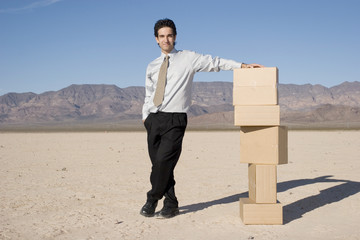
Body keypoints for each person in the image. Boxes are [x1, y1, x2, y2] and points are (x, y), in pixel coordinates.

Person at [141, 18, 263, 218]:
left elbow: (215, 63)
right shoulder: (152, 65)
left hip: (175, 118)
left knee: (163, 162)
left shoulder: (188, 58)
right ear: (156, 39)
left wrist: (241, 66)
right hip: (154, 119)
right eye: (162, 36)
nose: (166, 40)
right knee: (161, 166)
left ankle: (152, 199)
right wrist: (145, 116)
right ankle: (171, 204)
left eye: (169, 35)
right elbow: (149, 92)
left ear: (175, 37)